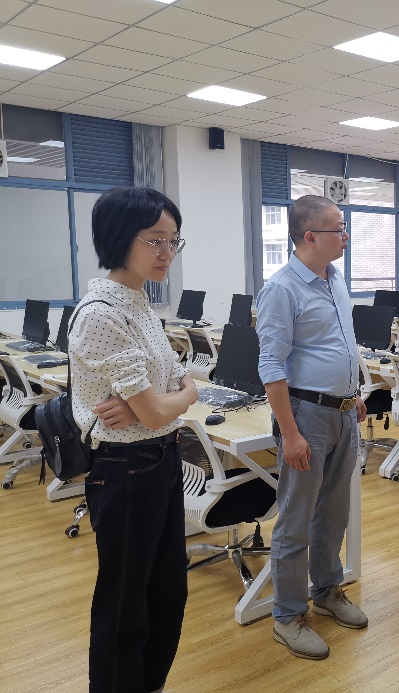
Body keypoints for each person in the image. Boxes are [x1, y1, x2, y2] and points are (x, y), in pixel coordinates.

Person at [70, 186, 198, 693]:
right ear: (120, 237)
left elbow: (172, 385)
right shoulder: (102, 312)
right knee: (126, 603)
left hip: (160, 458)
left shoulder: (139, 301)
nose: (167, 252)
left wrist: (165, 398)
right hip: (126, 469)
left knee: (167, 590)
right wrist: (176, 397)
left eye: (173, 240)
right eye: (155, 240)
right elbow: (162, 403)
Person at [256, 194, 368, 660]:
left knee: (334, 513)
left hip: (343, 412)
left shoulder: (335, 278)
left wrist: (354, 392)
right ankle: (287, 615)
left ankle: (326, 590)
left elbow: (340, 344)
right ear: (310, 236)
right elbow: (271, 366)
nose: (345, 236)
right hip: (306, 416)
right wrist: (291, 433)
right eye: (338, 228)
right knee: (296, 519)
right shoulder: (282, 289)